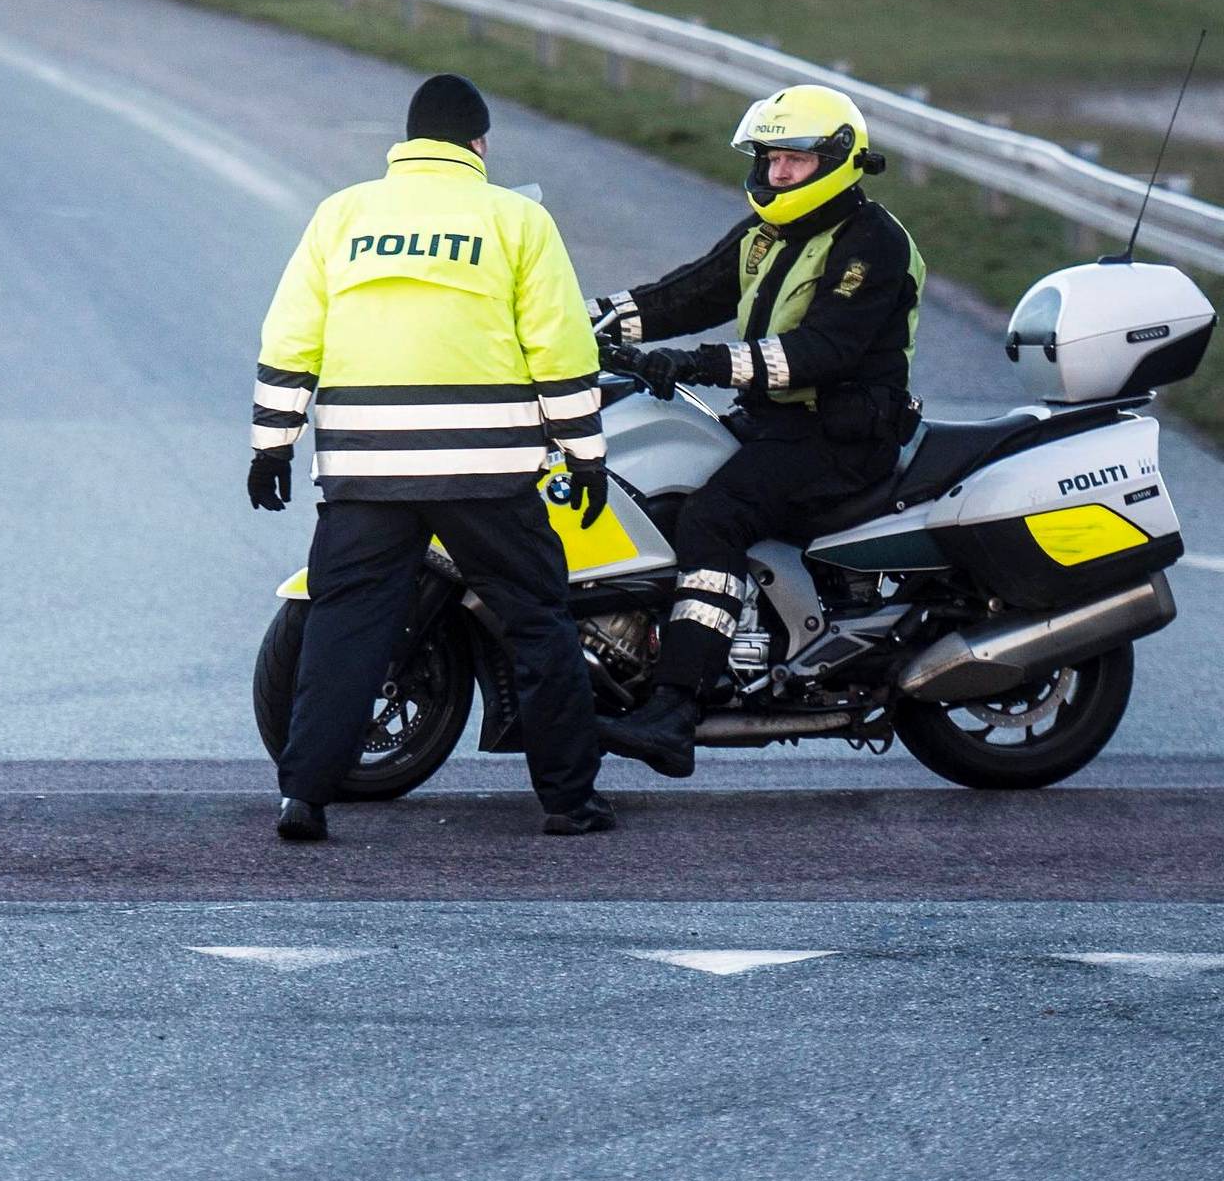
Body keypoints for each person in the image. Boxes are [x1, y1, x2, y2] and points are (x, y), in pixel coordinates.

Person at [249, 74, 612, 842]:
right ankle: (569, 803)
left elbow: (291, 337)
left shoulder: (342, 214)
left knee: (344, 630)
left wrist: (272, 443)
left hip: (365, 472)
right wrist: (585, 454)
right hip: (485, 471)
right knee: (537, 623)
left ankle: (303, 798)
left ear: (407, 143)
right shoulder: (516, 219)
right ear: (479, 143)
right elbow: (560, 345)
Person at [592, 84, 923, 778]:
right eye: (769, 158)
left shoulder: (873, 244)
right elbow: (685, 294)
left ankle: (676, 710)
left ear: (838, 159)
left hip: (839, 440)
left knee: (715, 517)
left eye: (794, 161)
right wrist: (581, 318)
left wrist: (700, 363)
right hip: (775, 426)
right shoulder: (768, 234)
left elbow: (819, 353)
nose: (776, 174)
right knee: (669, 482)